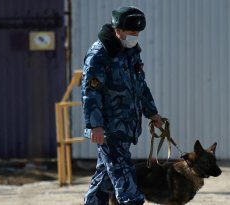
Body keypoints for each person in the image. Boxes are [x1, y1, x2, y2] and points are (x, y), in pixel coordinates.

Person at [81, 6, 163, 205]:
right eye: (131, 32)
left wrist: (153, 113)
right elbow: (90, 93)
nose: (135, 36)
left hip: (127, 125)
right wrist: (95, 125)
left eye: (138, 33)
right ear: (118, 30)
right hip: (109, 128)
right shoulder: (99, 55)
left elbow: (140, 86)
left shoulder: (131, 51)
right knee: (123, 172)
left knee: (106, 176)